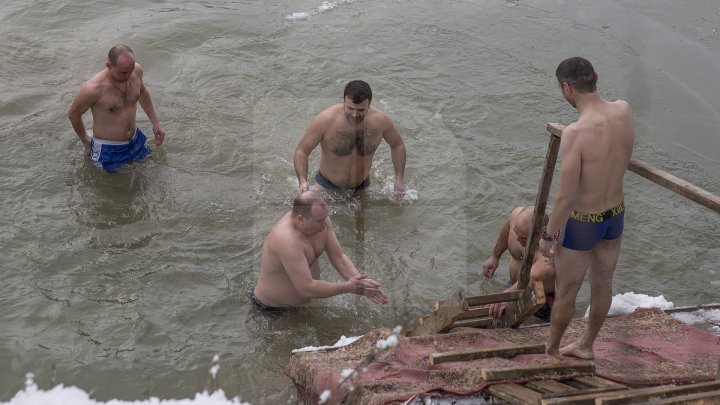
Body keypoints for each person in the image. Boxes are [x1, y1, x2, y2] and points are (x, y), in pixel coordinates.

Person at [539, 57, 635, 360]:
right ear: (596, 76)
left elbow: (565, 197)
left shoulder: (575, 133)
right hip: (614, 214)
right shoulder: (624, 109)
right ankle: (586, 345)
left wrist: (547, 235)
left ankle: (552, 350)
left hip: (583, 222)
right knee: (602, 283)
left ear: (567, 89)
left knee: (567, 290)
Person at [252, 191, 389, 314]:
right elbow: (306, 288)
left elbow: (338, 256)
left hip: (306, 304)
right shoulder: (287, 240)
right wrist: (347, 287)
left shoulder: (320, 219)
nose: (325, 225)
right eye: (319, 221)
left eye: (325, 218)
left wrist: (363, 285)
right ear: (301, 219)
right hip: (273, 310)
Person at [294, 80, 406, 199]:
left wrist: (399, 179)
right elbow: (302, 150)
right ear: (343, 102)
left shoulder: (381, 121)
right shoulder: (326, 120)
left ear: (369, 104)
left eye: (361, 110)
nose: (354, 114)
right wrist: (302, 181)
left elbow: (397, 145)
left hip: (362, 187)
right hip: (326, 187)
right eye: (350, 108)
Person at [68, 44, 165, 172]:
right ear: (109, 65)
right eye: (124, 72)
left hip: (135, 140)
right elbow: (73, 114)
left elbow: (142, 93)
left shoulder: (136, 71)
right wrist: (86, 142)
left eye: (131, 69)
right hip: (108, 148)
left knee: (154, 170)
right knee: (118, 188)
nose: (129, 75)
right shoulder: (93, 89)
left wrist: (156, 123)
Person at [482, 206, 555, 322]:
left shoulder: (550, 250)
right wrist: (495, 256)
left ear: (540, 235)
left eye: (524, 238)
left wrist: (507, 295)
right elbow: (507, 226)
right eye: (516, 233)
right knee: (492, 312)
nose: (517, 240)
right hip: (513, 285)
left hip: (541, 300)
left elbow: (534, 275)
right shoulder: (516, 215)